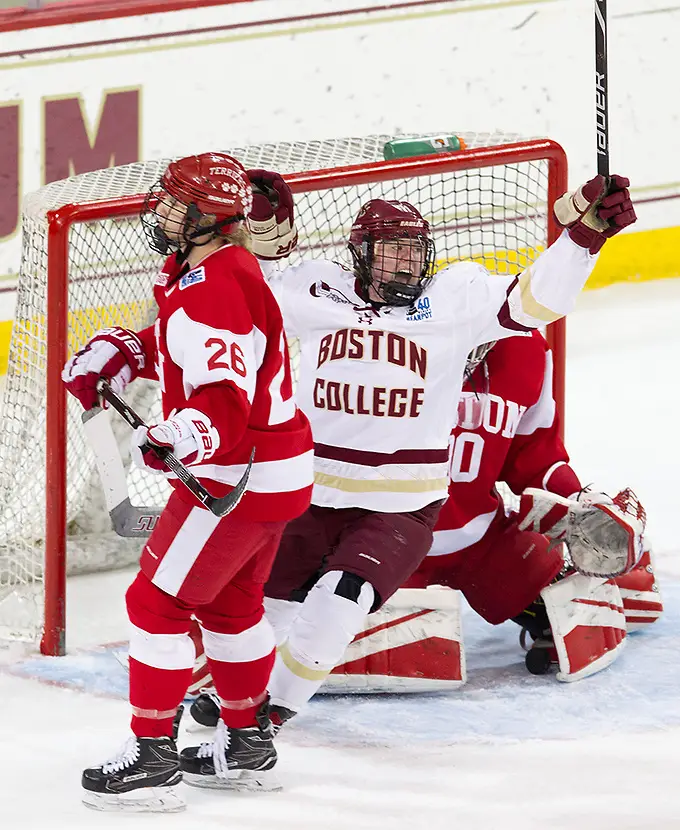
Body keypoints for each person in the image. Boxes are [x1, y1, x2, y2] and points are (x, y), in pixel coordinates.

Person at [244, 168, 637, 726]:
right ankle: (251, 700)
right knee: (279, 606)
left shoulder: (466, 306)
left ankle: (269, 713)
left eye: (412, 253)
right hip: (329, 501)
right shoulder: (316, 291)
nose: (404, 266)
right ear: (361, 255)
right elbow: (248, 302)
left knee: (570, 596)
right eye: (389, 253)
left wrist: (583, 238)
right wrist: (261, 241)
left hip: (429, 516)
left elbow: (535, 306)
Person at [62, 153, 314, 812]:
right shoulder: (214, 269)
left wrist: (183, 437)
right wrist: (132, 350)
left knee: (155, 604)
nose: (162, 212)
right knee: (232, 609)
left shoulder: (214, 289)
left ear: (207, 217)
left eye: (175, 204)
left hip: (235, 479)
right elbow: (196, 348)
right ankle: (246, 742)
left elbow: (224, 407)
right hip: (276, 472)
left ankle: (151, 754)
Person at [403, 331, 659, 680]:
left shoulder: (524, 347)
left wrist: (577, 503)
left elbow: (535, 457)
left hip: (479, 538)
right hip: (386, 541)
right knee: (360, 636)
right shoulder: (379, 343)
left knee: (582, 611)